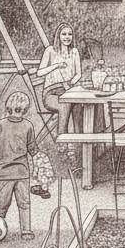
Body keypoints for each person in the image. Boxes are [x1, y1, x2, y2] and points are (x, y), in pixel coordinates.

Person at [0, 91, 42, 239]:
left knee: (24, 202)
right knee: (2, 204)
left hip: (22, 172)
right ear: (7, 109)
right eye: (11, 110)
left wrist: (40, 158)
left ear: (24, 111)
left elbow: (32, 146)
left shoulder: (28, 126)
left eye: (18, 110)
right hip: (4, 173)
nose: (15, 113)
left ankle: (26, 230)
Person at [37, 22, 85, 157]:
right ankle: (62, 142)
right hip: (51, 92)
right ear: (58, 36)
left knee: (78, 107)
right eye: (64, 34)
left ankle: (78, 145)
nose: (67, 37)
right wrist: (56, 66)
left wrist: (70, 83)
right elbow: (40, 73)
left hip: (68, 89)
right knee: (65, 105)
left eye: (70, 34)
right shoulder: (50, 51)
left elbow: (78, 74)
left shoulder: (74, 52)